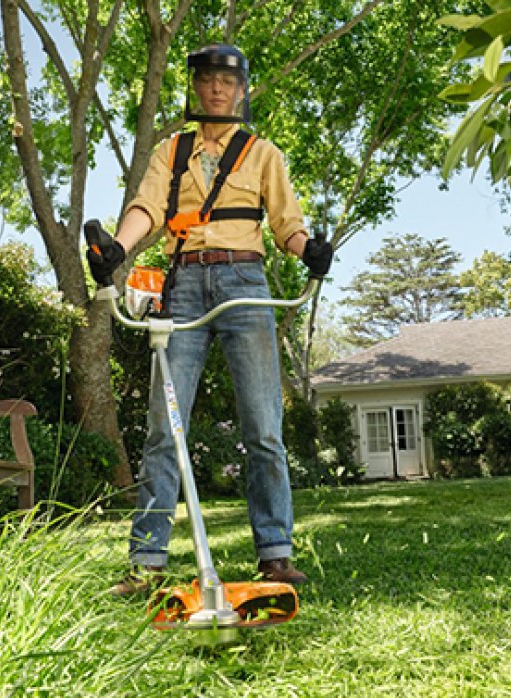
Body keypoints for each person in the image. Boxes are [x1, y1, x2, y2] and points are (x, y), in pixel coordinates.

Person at [87, 42, 333, 597]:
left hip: (245, 283)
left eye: (227, 80)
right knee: (162, 426)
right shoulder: (170, 152)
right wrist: (116, 250)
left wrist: (307, 250)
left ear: (242, 89)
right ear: (195, 86)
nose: (216, 88)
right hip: (184, 283)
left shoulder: (263, 153)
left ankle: (275, 554)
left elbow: (285, 224)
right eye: (206, 79)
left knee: (263, 427)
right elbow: (146, 210)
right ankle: (146, 561)